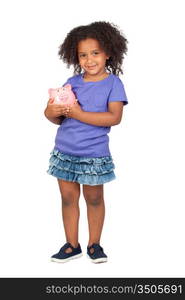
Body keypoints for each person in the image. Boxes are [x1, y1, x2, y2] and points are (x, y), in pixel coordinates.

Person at [44, 21, 128, 264]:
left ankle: (94, 244)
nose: (89, 60)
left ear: (108, 53)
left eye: (95, 53)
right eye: (83, 55)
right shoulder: (73, 82)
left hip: (93, 153)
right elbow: (56, 118)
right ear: (75, 56)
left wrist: (78, 113)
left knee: (94, 199)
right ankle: (72, 245)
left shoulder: (113, 84)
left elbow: (114, 117)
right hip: (64, 151)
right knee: (68, 198)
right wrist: (51, 109)